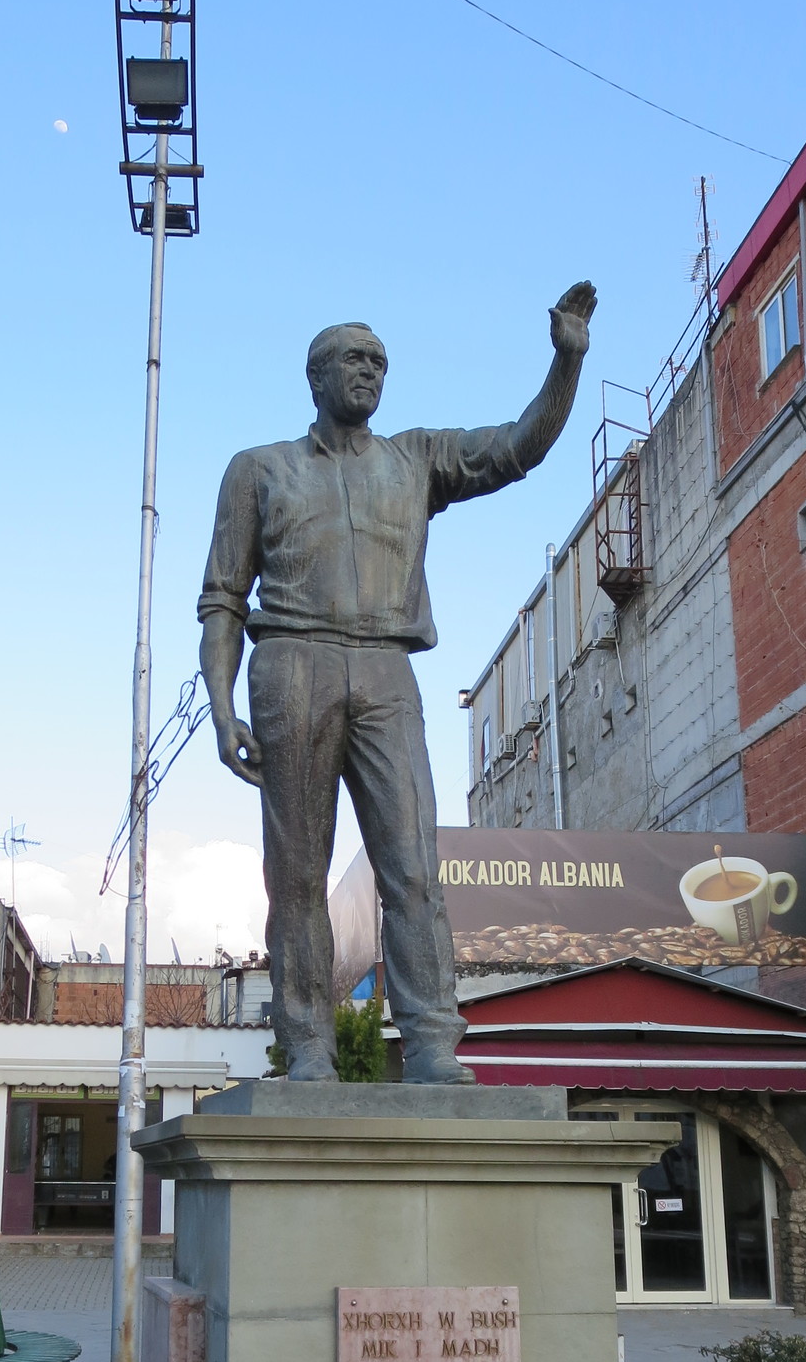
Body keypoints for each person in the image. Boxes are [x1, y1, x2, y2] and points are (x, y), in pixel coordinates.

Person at [198, 284, 596, 1081]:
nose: (370, 373)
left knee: (413, 864)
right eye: (355, 360)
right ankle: (307, 1046)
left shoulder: (415, 459)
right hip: (291, 664)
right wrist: (220, 704)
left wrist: (566, 361)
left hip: (386, 669)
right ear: (315, 378)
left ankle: (431, 1045)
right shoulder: (258, 469)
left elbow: (519, 448)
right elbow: (222, 598)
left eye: (380, 363)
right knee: (299, 873)